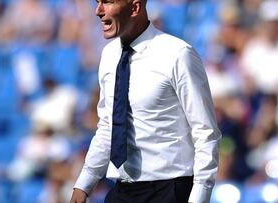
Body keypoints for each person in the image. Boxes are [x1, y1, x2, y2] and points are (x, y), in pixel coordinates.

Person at [70, 0, 221, 203]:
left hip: (170, 190)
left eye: (107, 2)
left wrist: (200, 196)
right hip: (123, 190)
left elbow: (205, 132)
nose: (98, 11)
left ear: (135, 8)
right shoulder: (109, 55)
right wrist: (83, 185)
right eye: (97, 2)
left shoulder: (178, 54)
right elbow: (108, 125)